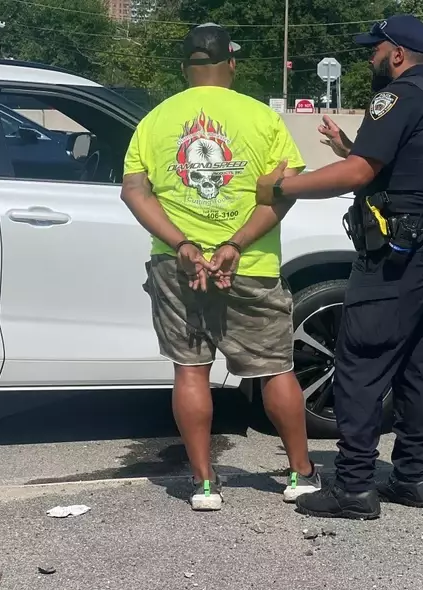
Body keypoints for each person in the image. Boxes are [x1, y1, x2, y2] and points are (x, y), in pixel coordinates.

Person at [255, 14, 423, 520]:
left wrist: (279, 188)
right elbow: (402, 168)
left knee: (359, 361)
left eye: (375, 49)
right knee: (418, 363)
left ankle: (353, 486)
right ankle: (413, 476)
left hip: (399, 251)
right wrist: (352, 147)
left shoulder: (395, 97)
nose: (369, 56)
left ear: (397, 53)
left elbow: (360, 174)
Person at [120, 22, 320, 511]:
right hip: (248, 262)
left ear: (186, 67)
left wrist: (184, 243)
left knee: (191, 370)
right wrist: (235, 242)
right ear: (231, 64)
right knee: (275, 370)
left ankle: (205, 483)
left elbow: (133, 191)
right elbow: (284, 192)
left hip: (177, 264)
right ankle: (300, 473)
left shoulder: (155, 119)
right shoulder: (262, 119)